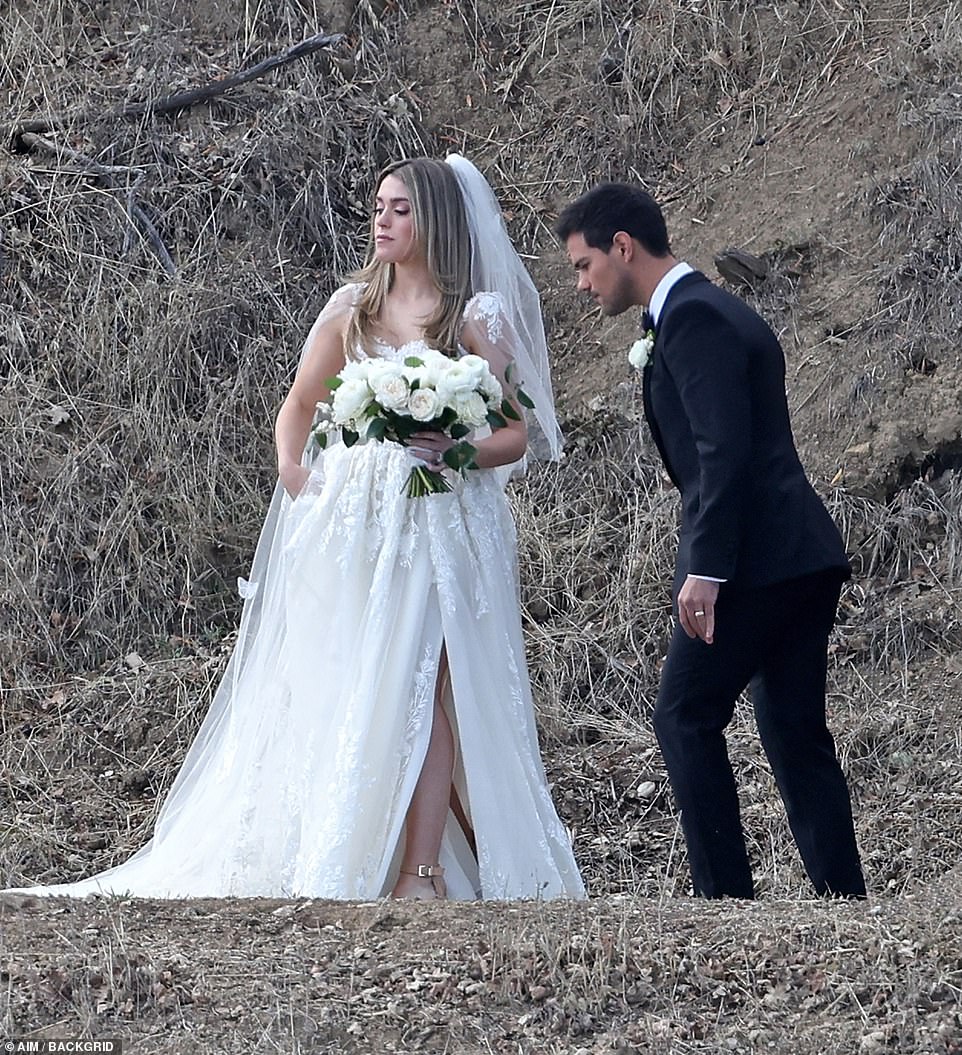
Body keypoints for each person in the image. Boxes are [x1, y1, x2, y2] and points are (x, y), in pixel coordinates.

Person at [9, 156, 585, 902]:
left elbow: (513, 435)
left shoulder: (471, 318)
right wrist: (295, 472)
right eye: (377, 205)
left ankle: (428, 869)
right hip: (364, 527)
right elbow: (298, 405)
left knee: (435, 685)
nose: (381, 219)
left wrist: (458, 448)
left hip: (445, 524)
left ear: (434, 219)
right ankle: (397, 860)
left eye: (399, 208)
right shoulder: (353, 310)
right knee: (384, 678)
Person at [555, 183, 866, 900]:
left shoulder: (693, 318)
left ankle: (724, 900)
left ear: (622, 248)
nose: (580, 284)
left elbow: (721, 452)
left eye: (583, 264)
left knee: (684, 714)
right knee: (793, 728)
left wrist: (706, 569)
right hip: (798, 554)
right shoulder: (711, 310)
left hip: (756, 563)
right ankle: (845, 899)